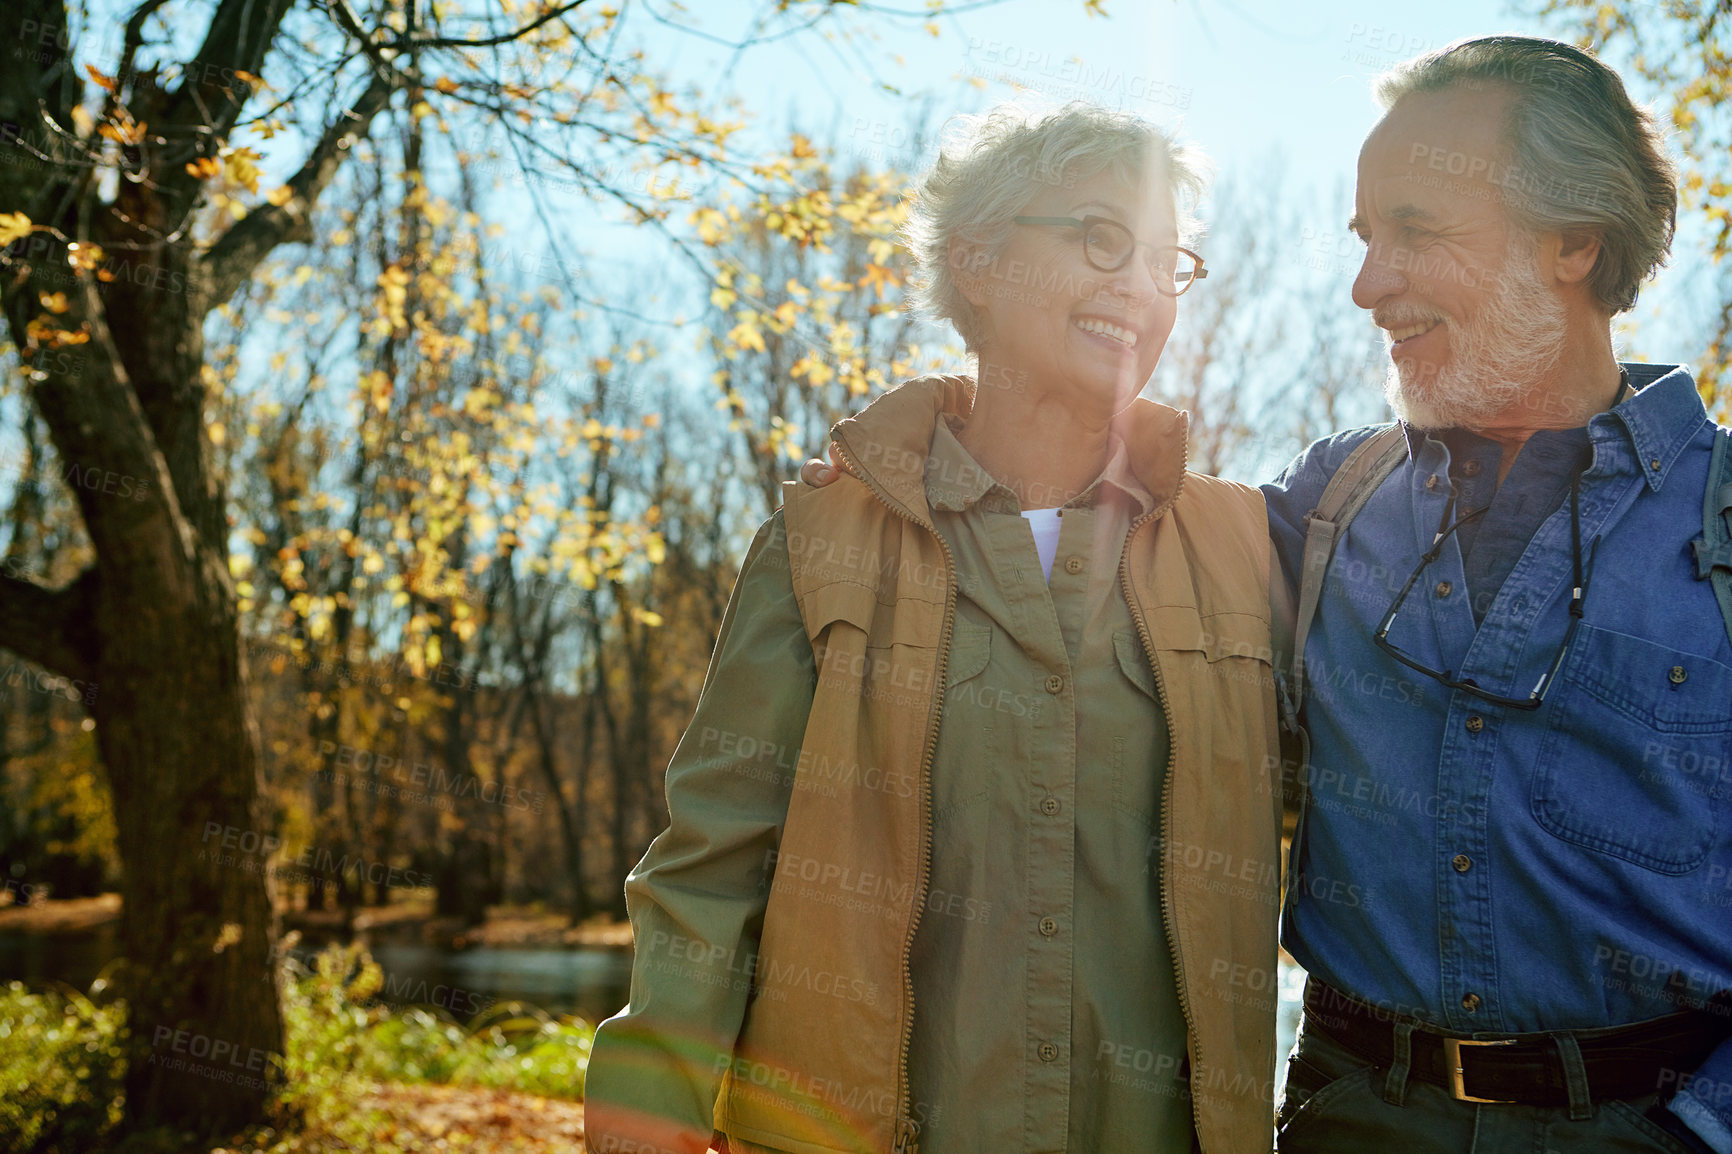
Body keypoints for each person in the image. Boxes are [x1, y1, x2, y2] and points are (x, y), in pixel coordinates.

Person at [582, 102, 1287, 1154]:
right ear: (978, 259)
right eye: (1099, 237)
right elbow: (715, 854)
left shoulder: (1248, 542)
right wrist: (646, 1111)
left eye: (1162, 258)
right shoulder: (828, 531)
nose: (1138, 284)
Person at [1258, 35, 1732, 1154]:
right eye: (1365, 237)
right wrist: (940, 414)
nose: (1369, 285)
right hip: (1349, 1122)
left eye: (1416, 229)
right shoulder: (1327, 500)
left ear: (1575, 239)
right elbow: (1090, 525)